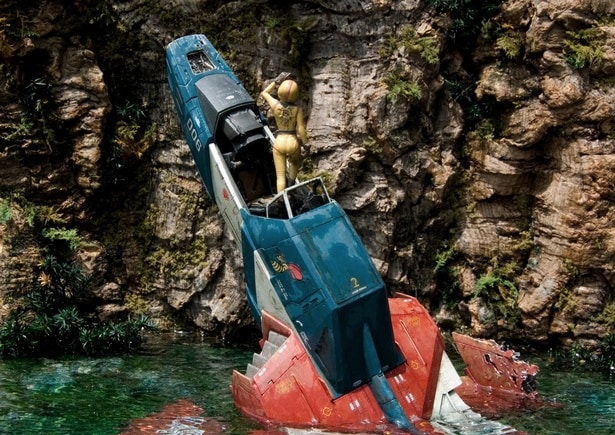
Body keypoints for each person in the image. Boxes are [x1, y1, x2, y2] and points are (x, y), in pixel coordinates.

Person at [261, 73, 308, 192]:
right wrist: (306, 143)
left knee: (280, 177)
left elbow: (264, 93)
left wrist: (276, 82)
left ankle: (282, 202)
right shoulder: (297, 109)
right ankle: (291, 185)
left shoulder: (275, 105)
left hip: (279, 142)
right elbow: (301, 128)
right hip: (293, 142)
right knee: (294, 164)